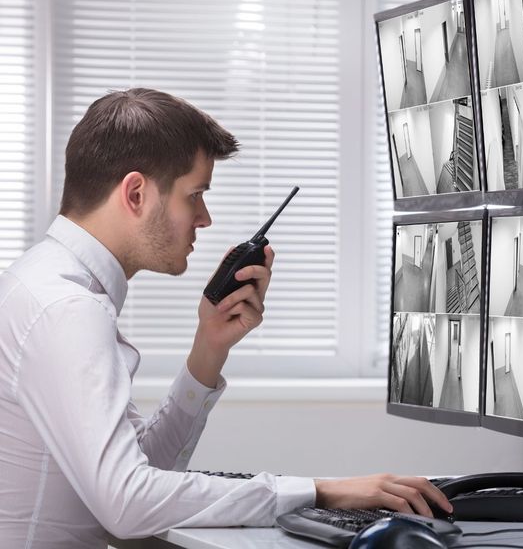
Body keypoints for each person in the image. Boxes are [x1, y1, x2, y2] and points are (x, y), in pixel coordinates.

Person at [0, 88, 452, 548]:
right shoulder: (67, 310)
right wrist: (320, 491)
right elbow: (128, 502)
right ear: (135, 193)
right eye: (194, 195)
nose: (205, 218)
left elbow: (140, 472)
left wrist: (209, 347)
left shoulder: (45, 286)